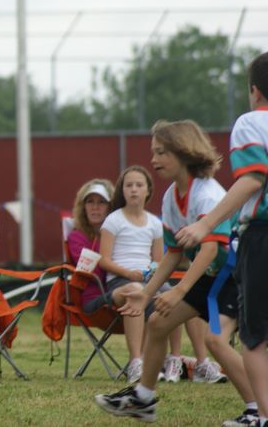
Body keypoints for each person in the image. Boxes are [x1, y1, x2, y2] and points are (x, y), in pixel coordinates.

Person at [95, 119, 255, 425]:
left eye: (161, 152)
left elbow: (210, 249)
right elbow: (174, 252)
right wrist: (146, 294)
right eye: (153, 152)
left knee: (215, 341)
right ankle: (143, 400)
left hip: (234, 275)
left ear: (183, 152)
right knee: (158, 323)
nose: (153, 159)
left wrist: (179, 290)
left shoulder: (207, 193)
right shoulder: (171, 196)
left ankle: (256, 411)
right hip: (212, 275)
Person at [176, 52, 268, 427]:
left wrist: (206, 224)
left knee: (254, 337)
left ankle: (263, 415)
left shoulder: (251, 122)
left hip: (262, 236)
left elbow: (253, 177)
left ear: (254, 90)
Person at [97, 165, 179, 384]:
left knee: (174, 295)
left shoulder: (155, 223)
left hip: (147, 279)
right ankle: (135, 362)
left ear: (148, 190)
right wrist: (128, 273)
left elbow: (158, 261)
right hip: (120, 282)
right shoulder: (113, 220)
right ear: (122, 190)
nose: (134, 189)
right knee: (135, 291)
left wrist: (152, 273)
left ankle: (175, 360)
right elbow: (103, 259)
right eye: (129, 185)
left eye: (139, 185)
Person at [66, 179, 114, 314]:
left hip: (125, 290)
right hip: (96, 298)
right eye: (90, 201)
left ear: (111, 207)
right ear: (83, 207)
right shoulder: (77, 237)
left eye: (102, 202)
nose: (95, 207)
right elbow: (94, 273)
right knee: (134, 294)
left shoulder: (120, 234)